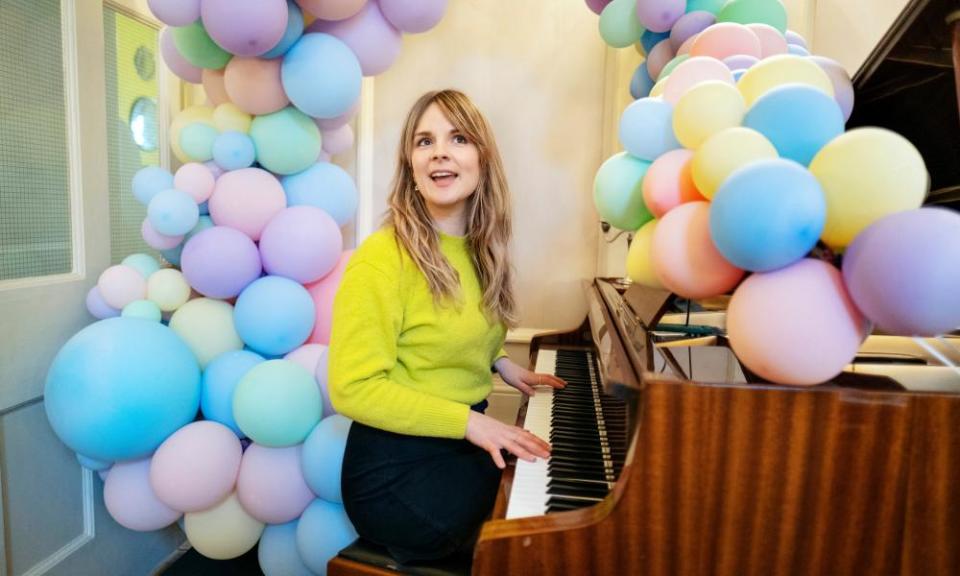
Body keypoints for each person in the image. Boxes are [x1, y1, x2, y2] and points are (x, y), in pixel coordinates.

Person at [328, 89, 565, 564]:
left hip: (456, 444)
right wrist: (471, 422)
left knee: (542, 488)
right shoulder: (381, 259)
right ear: (411, 168)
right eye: (424, 141)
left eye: (458, 138)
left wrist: (500, 363)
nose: (440, 151)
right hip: (394, 472)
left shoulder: (481, 250)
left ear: (482, 159)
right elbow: (351, 388)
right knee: (533, 538)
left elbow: (444, 333)